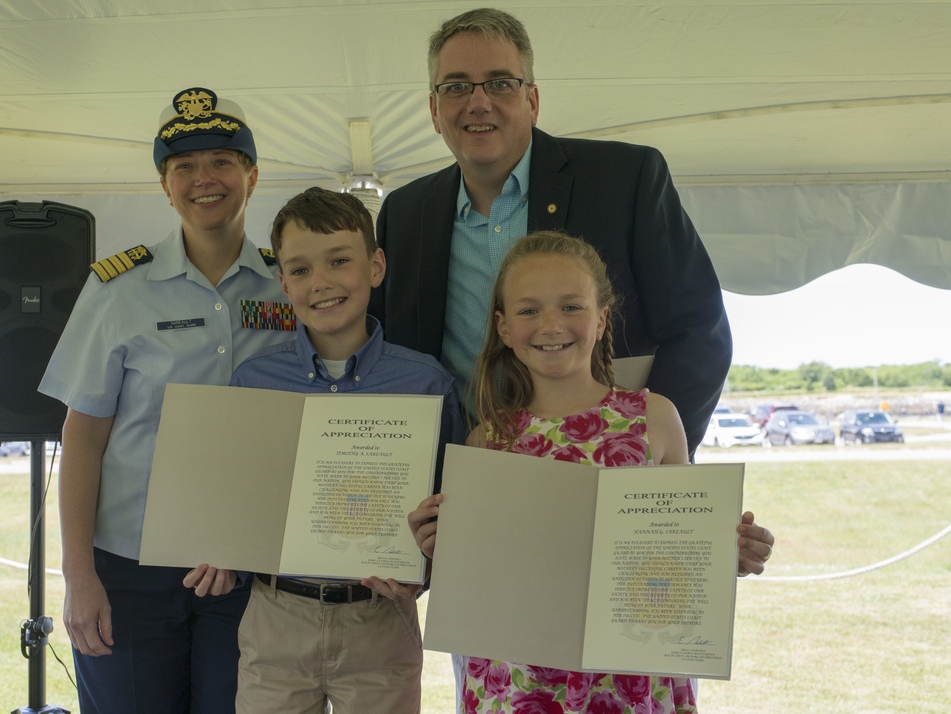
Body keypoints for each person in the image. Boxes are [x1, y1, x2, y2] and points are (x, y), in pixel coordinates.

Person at [409, 231, 774, 713]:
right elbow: (478, 578)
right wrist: (437, 547)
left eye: (571, 307)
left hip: (623, 680)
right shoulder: (488, 440)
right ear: (502, 327)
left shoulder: (655, 419)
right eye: (528, 310)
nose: (550, 324)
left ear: (602, 318)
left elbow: (678, 551)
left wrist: (728, 553)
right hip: (514, 683)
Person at [369, 7, 731, 457]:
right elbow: (386, 351)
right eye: (456, 86)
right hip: (462, 475)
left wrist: (650, 453)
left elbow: (699, 331)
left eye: (501, 83)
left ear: (533, 101)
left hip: (604, 471)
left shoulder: (624, 180)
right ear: (434, 109)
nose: (478, 102)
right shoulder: (404, 213)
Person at [38, 87, 297, 712]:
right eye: (184, 166)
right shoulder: (116, 290)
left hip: (245, 568)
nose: (203, 179)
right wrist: (79, 576)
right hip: (128, 568)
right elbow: (83, 436)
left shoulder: (289, 285)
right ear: (164, 184)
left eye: (222, 161)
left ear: (252, 175)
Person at [185, 187, 464, 713]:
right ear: (283, 282)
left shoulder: (426, 382)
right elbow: (234, 495)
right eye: (301, 269)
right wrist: (220, 552)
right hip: (276, 616)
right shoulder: (254, 381)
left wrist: (424, 564)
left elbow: (454, 508)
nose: (323, 283)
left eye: (340, 261)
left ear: (376, 266)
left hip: (380, 616)